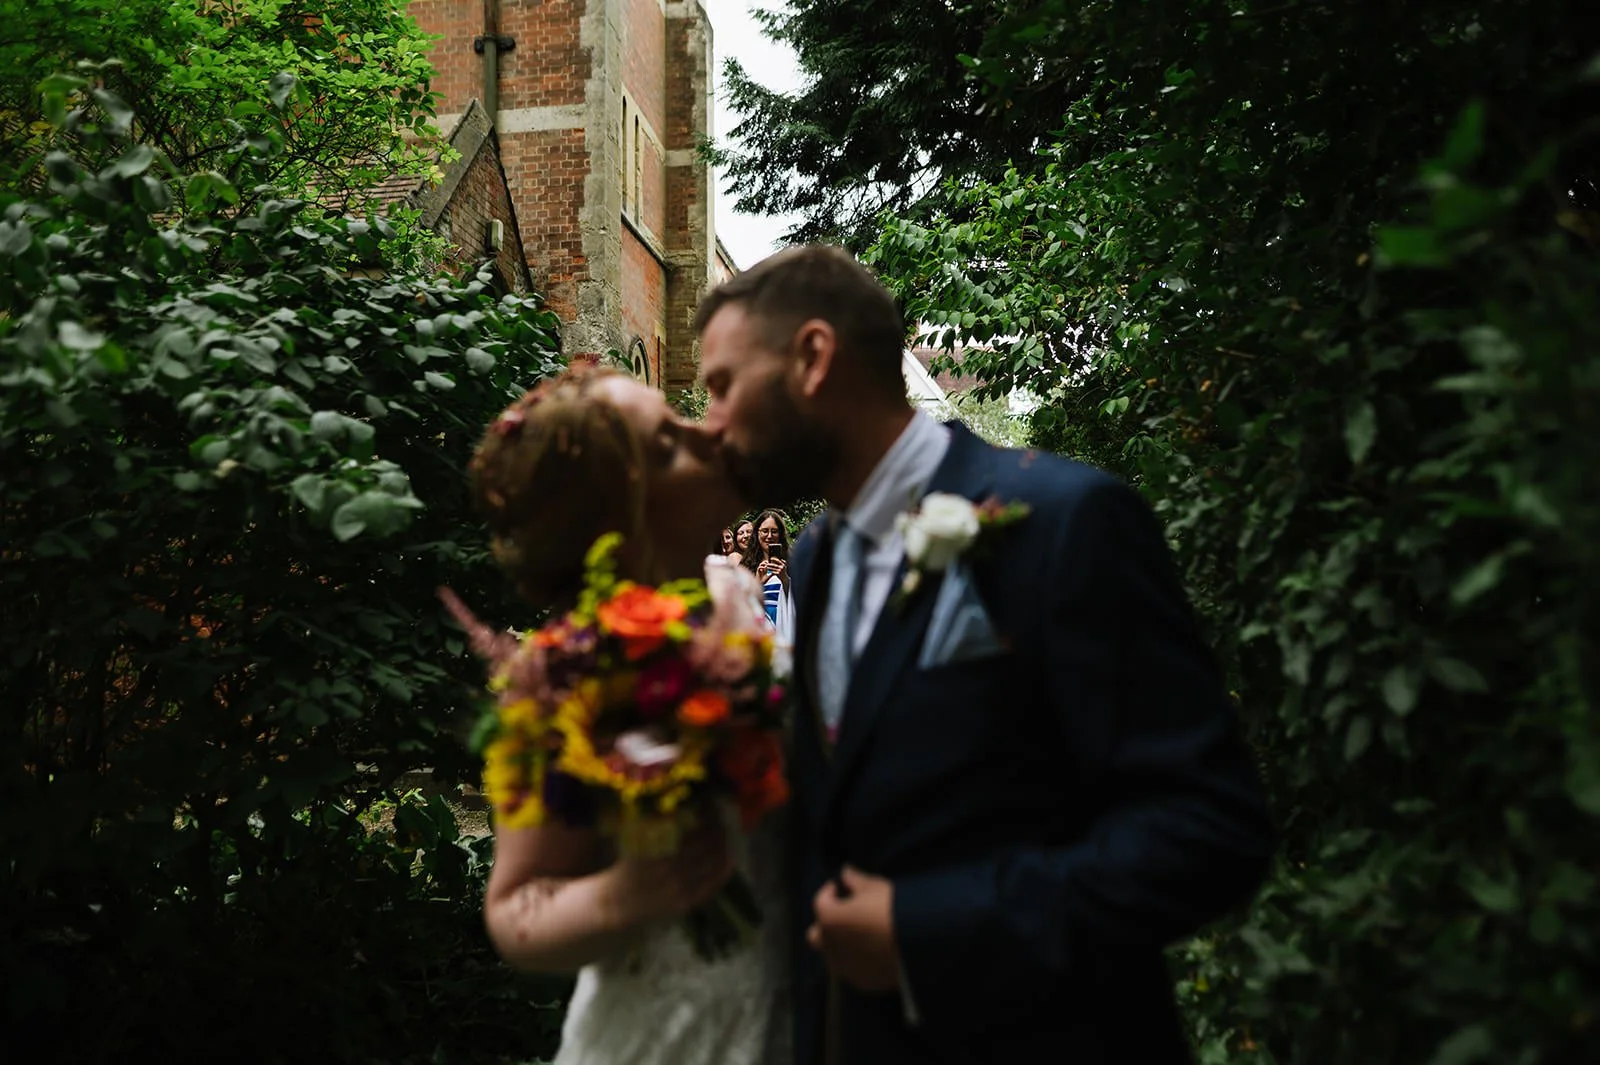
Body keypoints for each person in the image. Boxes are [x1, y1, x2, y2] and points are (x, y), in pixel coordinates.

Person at [695, 245, 1275, 1065]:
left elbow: (1208, 831)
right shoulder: (819, 559)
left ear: (813, 358)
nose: (711, 420)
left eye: (723, 385)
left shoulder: (1067, 522)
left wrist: (926, 927)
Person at [465, 363, 791, 1065]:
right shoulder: (567, 677)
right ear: (617, 520)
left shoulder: (735, 594)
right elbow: (513, 910)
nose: (708, 435)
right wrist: (627, 892)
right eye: (669, 443)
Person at [752, 508, 796, 644]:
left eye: (774, 531)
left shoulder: (793, 562)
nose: (769, 536)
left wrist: (785, 579)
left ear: (781, 534)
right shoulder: (747, 565)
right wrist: (757, 583)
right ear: (757, 533)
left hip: (784, 624)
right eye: (765, 531)